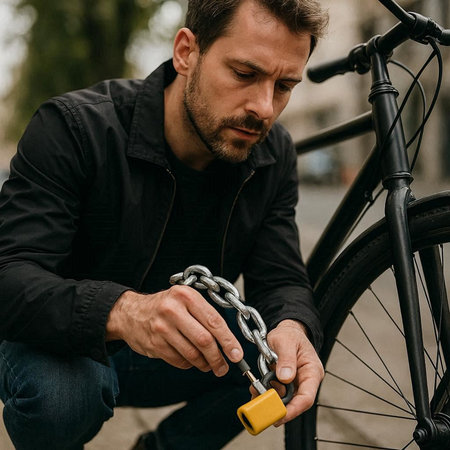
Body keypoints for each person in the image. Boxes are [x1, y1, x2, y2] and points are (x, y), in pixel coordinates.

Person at [0, 0, 328, 448]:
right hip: (61, 344)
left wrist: (293, 326)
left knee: (279, 361)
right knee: (64, 397)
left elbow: (281, 277)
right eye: (245, 74)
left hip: (177, 355)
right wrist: (124, 312)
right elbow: (10, 276)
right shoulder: (75, 128)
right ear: (186, 52)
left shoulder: (272, 154)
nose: (264, 108)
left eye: (285, 85)